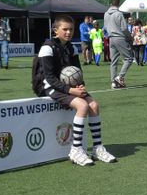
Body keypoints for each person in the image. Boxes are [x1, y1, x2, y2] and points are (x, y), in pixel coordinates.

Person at [36, 14, 117, 166]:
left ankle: (97, 148)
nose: (68, 32)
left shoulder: (71, 47)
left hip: (69, 87)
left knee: (94, 105)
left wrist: (80, 86)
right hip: (50, 87)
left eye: (71, 29)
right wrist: (71, 91)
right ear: (55, 30)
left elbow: (77, 72)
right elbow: (49, 78)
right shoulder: (47, 48)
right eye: (65, 29)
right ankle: (76, 149)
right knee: (82, 105)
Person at [104, 0, 134, 89]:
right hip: (119, 37)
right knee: (129, 58)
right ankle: (120, 77)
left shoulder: (106, 14)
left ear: (110, 4)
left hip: (111, 38)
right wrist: (130, 37)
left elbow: (105, 26)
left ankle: (114, 81)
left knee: (114, 61)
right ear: (118, 4)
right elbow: (124, 28)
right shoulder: (119, 14)